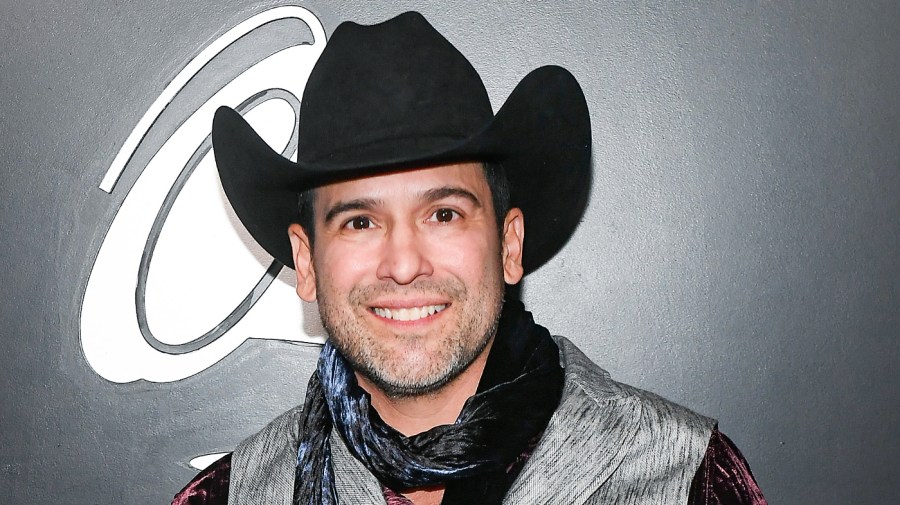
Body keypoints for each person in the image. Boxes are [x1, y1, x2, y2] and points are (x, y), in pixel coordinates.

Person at [173, 11, 766, 505]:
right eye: (360, 221)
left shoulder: (686, 482)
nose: (403, 265)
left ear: (509, 245)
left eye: (444, 214)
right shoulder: (230, 496)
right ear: (306, 263)